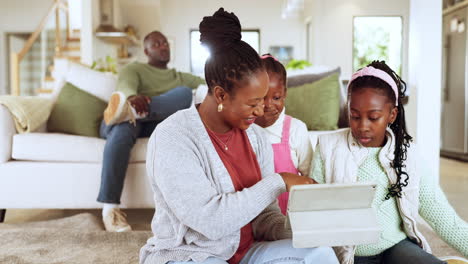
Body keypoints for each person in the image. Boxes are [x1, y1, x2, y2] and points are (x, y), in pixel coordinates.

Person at [140, 8, 339, 264]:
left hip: (246, 254)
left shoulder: (257, 138)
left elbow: (266, 219)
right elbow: (210, 222)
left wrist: (306, 231)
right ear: (221, 95)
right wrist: (278, 182)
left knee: (320, 254)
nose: (261, 110)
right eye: (252, 103)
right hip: (194, 255)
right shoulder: (173, 137)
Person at [309, 60, 468, 264]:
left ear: (392, 114)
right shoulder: (328, 147)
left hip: (395, 247)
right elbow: (313, 211)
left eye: (373, 117)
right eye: (354, 116)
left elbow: (443, 218)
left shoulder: (408, 154)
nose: (363, 126)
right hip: (347, 253)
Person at [98, 31, 205, 232]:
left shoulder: (178, 76)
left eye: (165, 42)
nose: (163, 45)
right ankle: (110, 210)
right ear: (146, 51)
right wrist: (131, 97)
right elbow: (126, 86)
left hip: (151, 123)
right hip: (119, 123)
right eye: (157, 44)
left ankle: (131, 112)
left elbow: (209, 83)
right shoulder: (135, 68)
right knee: (123, 128)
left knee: (182, 93)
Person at [254, 54, 313, 215]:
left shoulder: (296, 129)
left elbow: (309, 176)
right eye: (261, 97)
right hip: (254, 218)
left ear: (285, 94)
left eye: (276, 97)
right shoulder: (243, 130)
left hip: (290, 218)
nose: (268, 105)